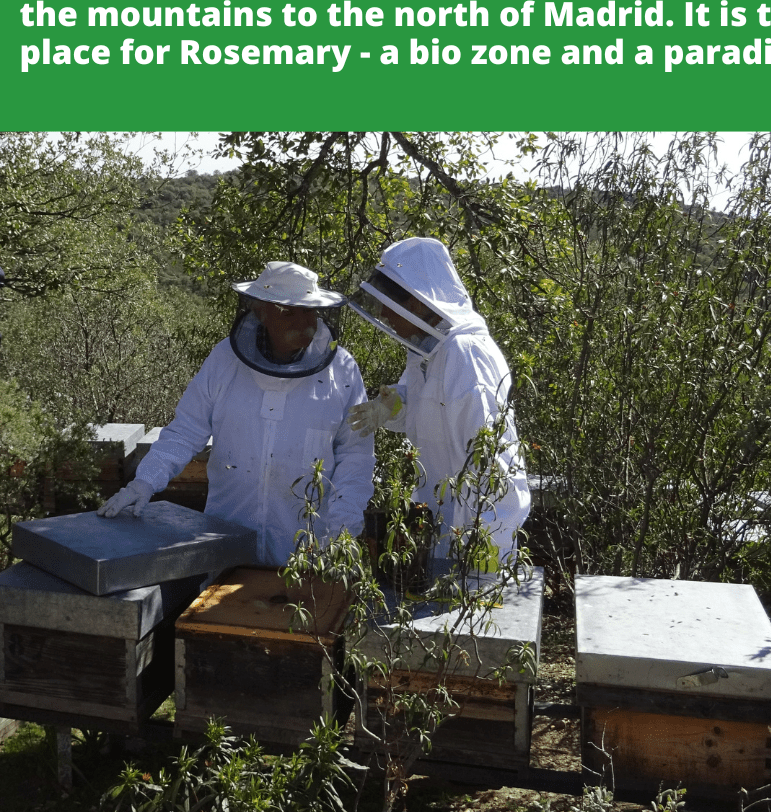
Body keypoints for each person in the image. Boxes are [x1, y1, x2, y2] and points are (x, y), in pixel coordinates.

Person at [98, 261, 374, 566]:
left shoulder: (342, 371)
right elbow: (185, 431)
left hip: (307, 550)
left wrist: (344, 522)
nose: (304, 323)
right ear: (260, 310)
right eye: (288, 312)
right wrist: (143, 483)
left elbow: (355, 454)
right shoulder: (224, 360)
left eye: (308, 310)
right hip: (226, 536)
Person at [347, 237, 530, 561]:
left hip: (477, 553)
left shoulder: (466, 357)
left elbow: (497, 472)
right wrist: (392, 405)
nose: (384, 314)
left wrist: (480, 565)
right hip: (438, 537)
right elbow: (423, 406)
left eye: (389, 302)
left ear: (417, 301)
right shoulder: (428, 351)